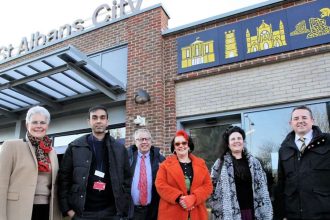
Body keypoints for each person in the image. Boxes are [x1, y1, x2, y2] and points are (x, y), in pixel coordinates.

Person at [58, 105, 131, 220]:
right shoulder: (75, 147)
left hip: (111, 212)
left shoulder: (120, 149)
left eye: (102, 118)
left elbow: (127, 180)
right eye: (94, 117)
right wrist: (68, 210)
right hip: (82, 213)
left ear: (107, 121)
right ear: (89, 122)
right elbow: (63, 179)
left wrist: (123, 207)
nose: (98, 121)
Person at [0, 106, 62, 220]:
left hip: (47, 209)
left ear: (47, 126)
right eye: (34, 122)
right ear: (27, 125)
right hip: (17, 209)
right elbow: (1, 184)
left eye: (42, 122)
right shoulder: (11, 146)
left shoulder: (52, 151)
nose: (39, 126)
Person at [277, 105, 330, 219]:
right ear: (290, 123)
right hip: (294, 215)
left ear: (312, 120)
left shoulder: (327, 142)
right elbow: (281, 184)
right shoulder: (284, 149)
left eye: (304, 117)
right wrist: (280, 215)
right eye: (296, 118)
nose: (300, 121)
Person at [210, 126, 272, 220]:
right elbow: (211, 187)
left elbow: (264, 186)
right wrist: (217, 207)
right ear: (228, 143)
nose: (236, 141)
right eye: (233, 139)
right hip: (230, 215)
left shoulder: (255, 163)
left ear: (243, 141)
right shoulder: (220, 164)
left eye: (239, 138)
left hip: (253, 212)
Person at [155, 130, 213, 220]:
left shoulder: (201, 164)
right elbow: (160, 185)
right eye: (177, 144)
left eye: (184, 143)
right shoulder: (165, 165)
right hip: (171, 214)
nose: (181, 146)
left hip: (196, 213)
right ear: (174, 148)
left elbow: (208, 186)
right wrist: (178, 198)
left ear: (188, 145)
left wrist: (194, 198)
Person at [127, 128, 165, 220]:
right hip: (131, 211)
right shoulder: (127, 158)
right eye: (141, 139)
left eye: (147, 139)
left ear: (151, 141)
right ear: (135, 142)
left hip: (152, 211)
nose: (144, 142)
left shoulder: (161, 160)